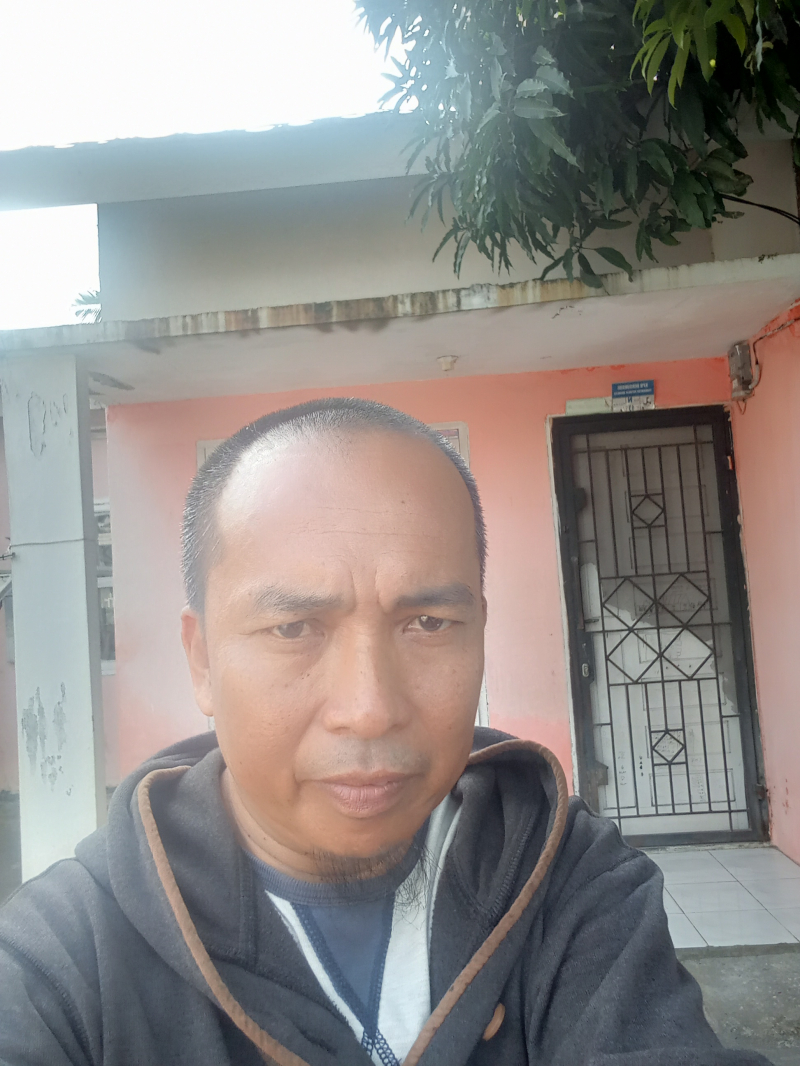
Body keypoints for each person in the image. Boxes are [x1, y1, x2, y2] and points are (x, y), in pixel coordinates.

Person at [0, 398, 770, 1066]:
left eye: (428, 623)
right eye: (294, 627)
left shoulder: (570, 876)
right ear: (202, 658)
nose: (369, 708)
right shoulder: (64, 957)